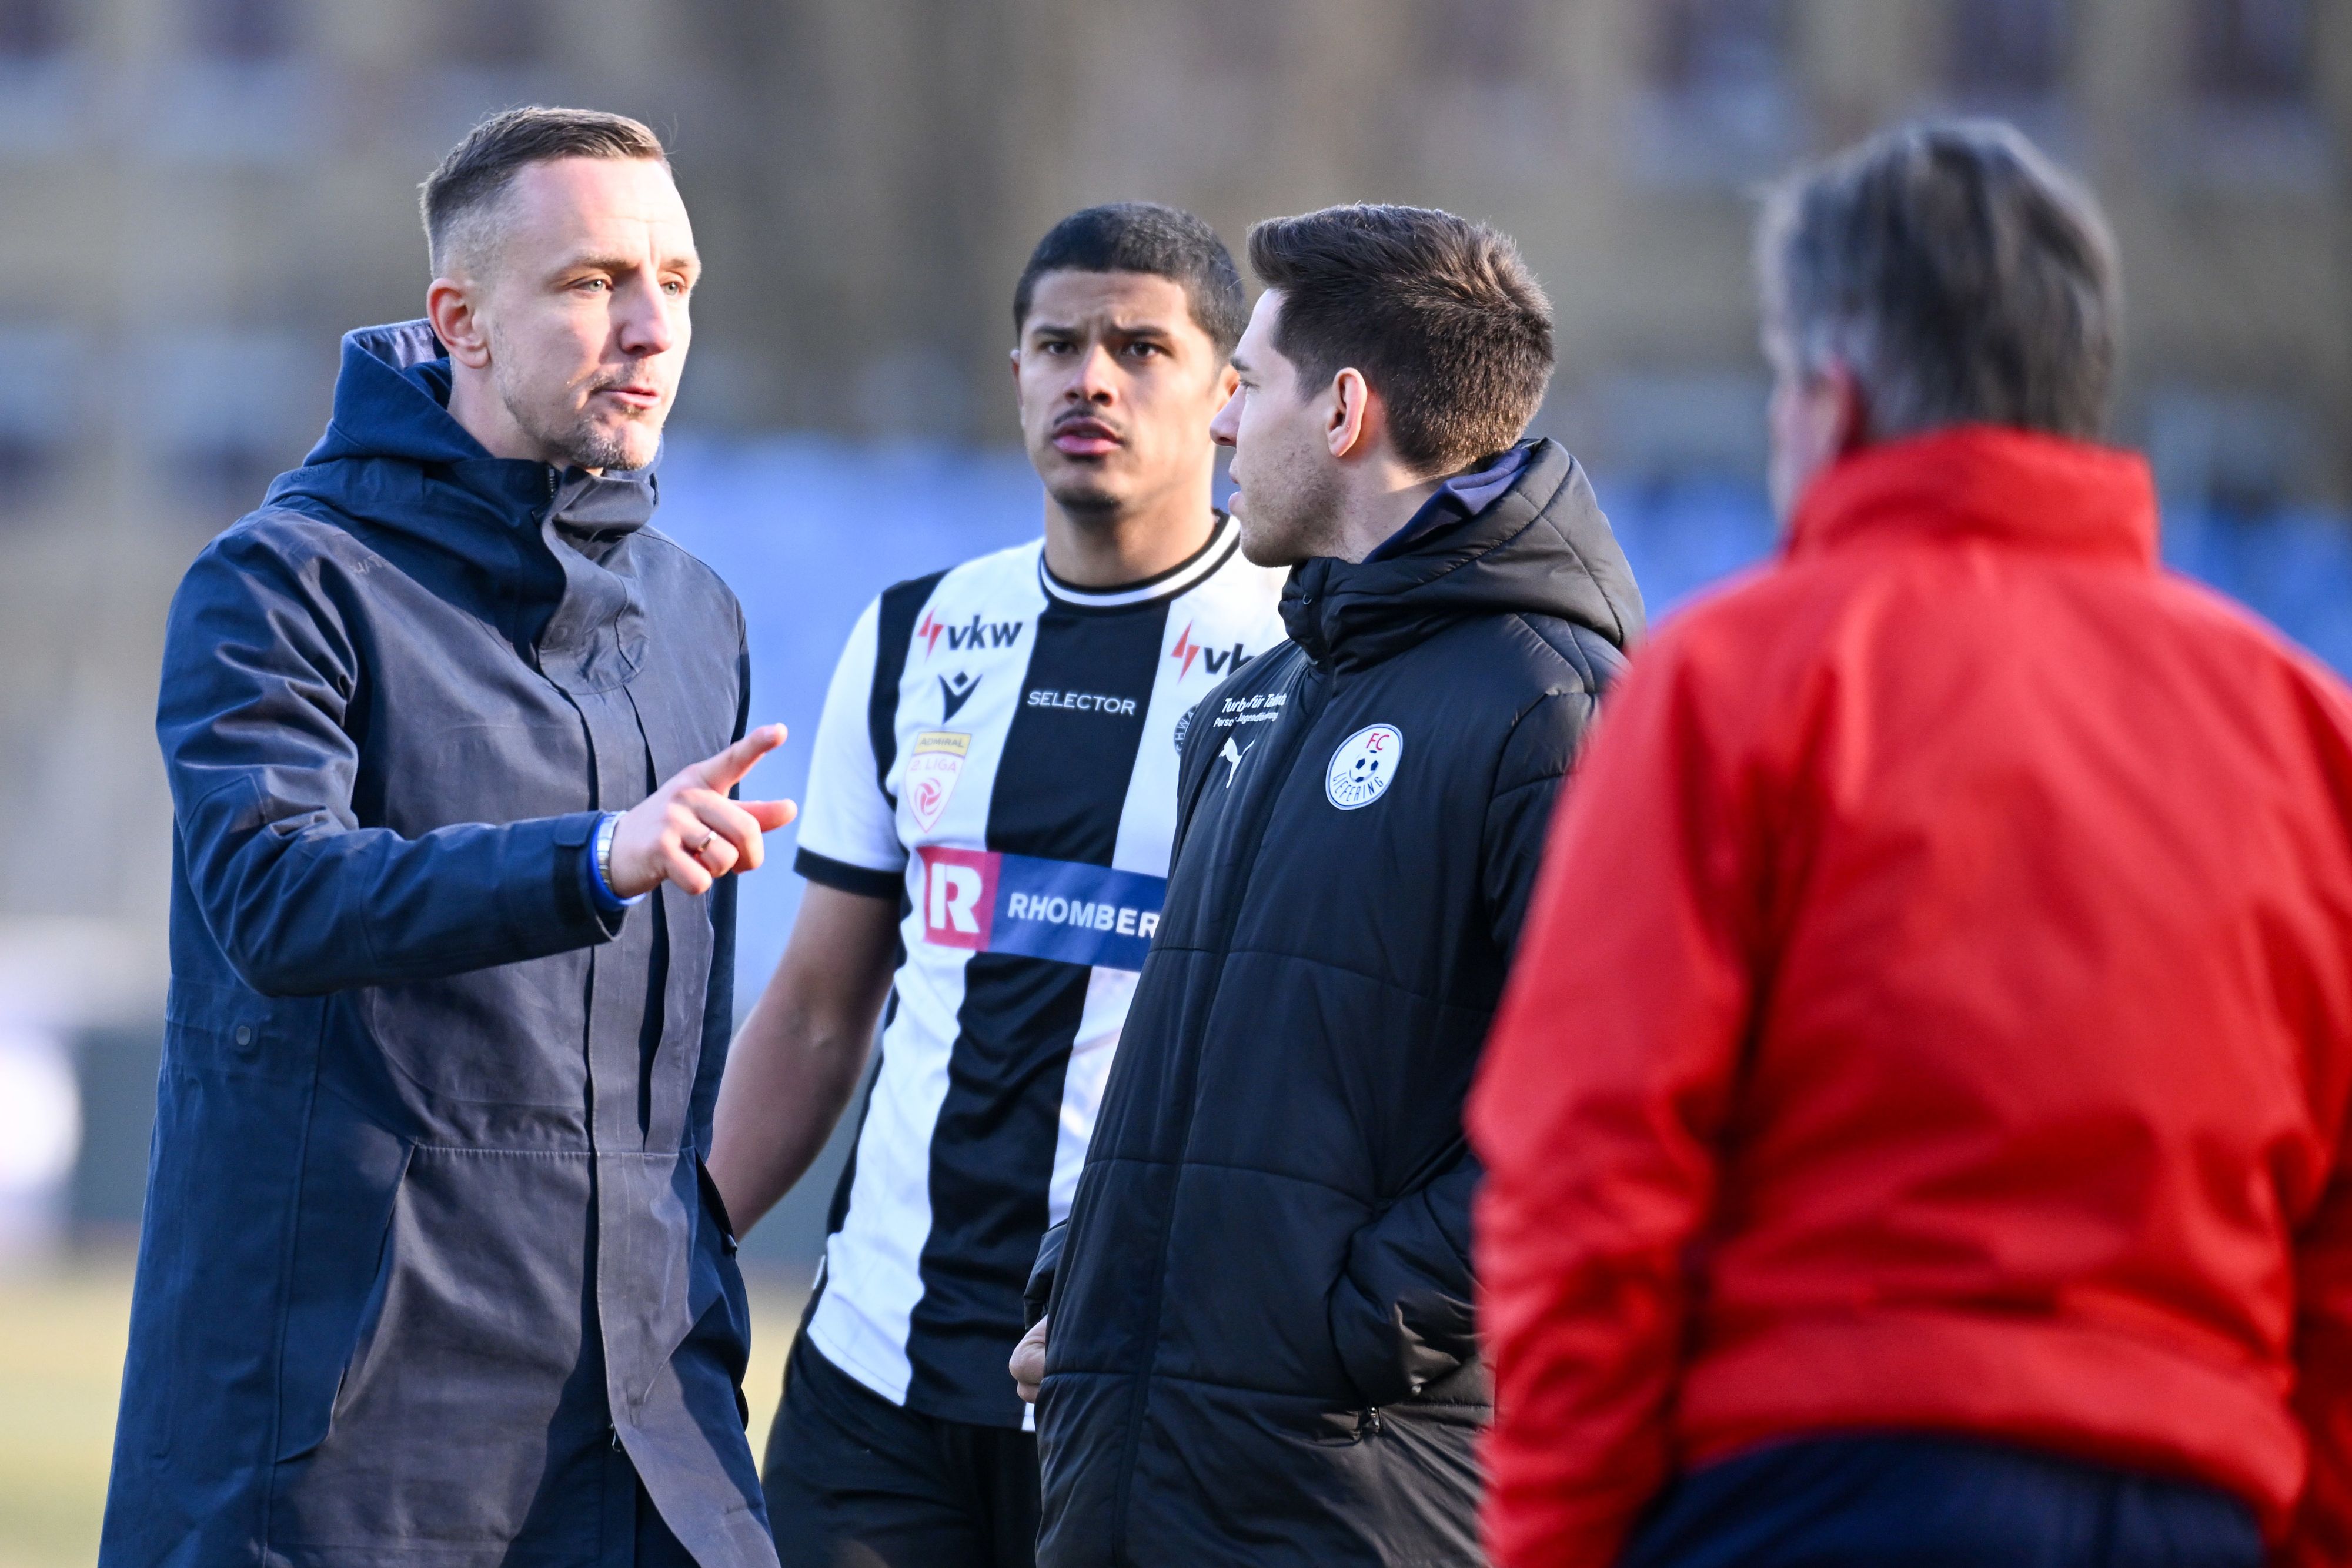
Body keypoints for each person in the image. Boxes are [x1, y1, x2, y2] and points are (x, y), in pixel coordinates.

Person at [1471, 119, 2352, 1568]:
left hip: (1819, 1479)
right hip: (2200, 1498)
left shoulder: (1737, 680)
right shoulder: (2301, 731)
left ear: (1832, 396)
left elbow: (1589, 1171)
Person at [102, 108, 792, 1568]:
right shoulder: (280, 582)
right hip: (348, 1441)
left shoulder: (699, 614)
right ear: (460, 321)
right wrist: (590, 855)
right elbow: (277, 897)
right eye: (594, 280)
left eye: (677, 280)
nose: (650, 326)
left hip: (647, 1419)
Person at [1016, 203, 1643, 1566]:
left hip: (1351, 1494)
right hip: (1139, 1468)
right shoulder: (1267, 694)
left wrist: (1345, 1325)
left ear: (1346, 408)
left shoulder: (1554, 709)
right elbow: (1191, 1061)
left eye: (1245, 382)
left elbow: (1609, 1122)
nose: (1221, 423)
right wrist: (1089, 1275)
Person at [706, 203, 1285, 1567]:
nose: (1091, 376)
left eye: (1140, 347)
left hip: (1135, 1390)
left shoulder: (1291, 662)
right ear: (1015, 372)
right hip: (873, 1375)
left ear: (1223, 397)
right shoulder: (918, 632)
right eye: (1057, 343)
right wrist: (687, 1243)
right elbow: (813, 1006)